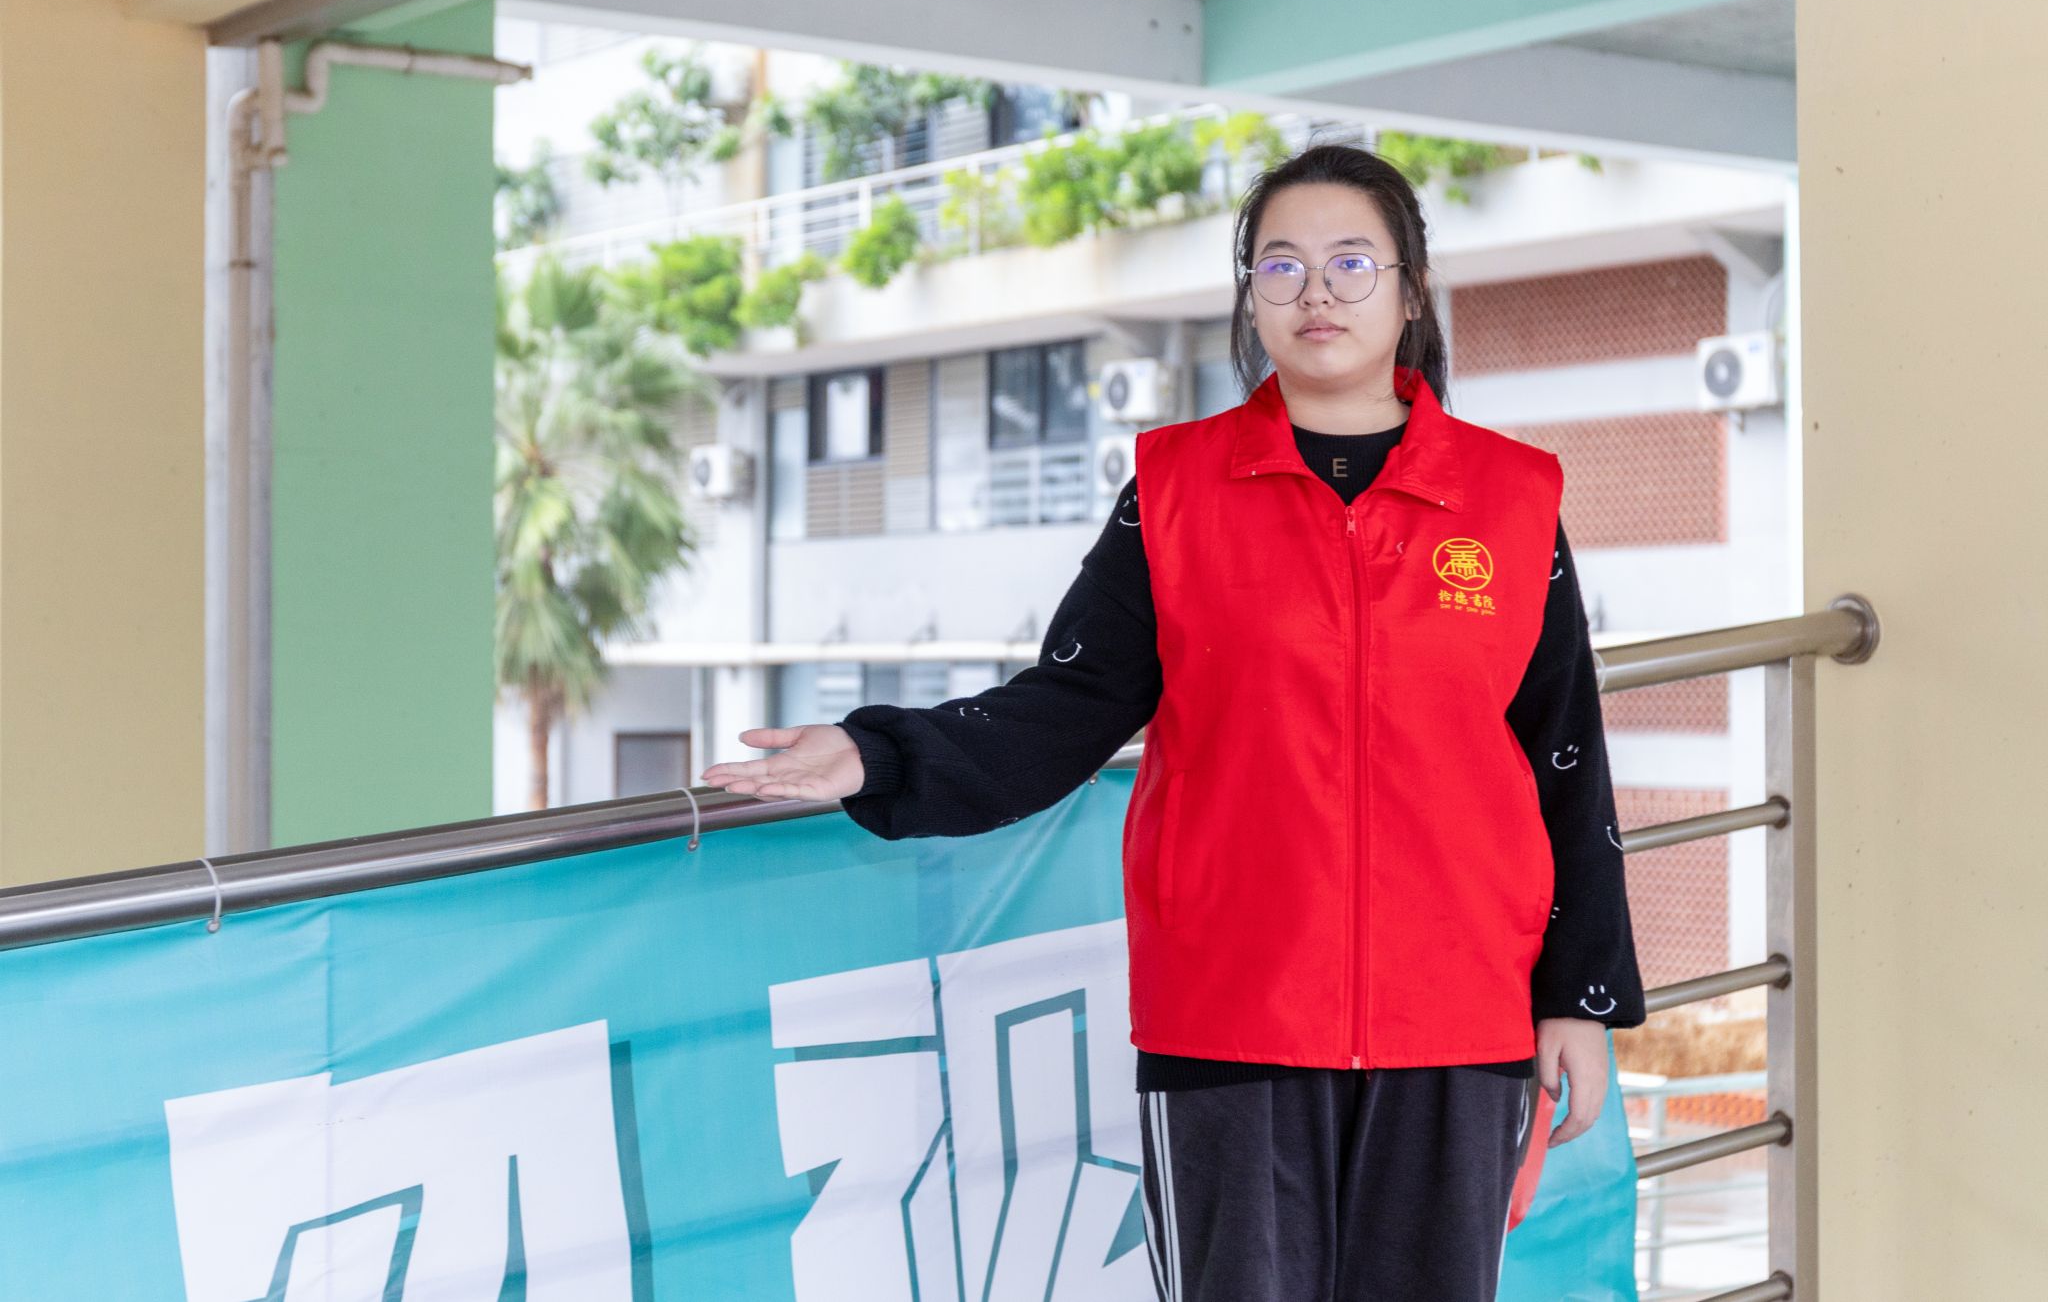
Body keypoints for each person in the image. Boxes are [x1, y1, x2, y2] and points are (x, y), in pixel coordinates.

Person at [702, 142, 1646, 1302]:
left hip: (1455, 1019)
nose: (1315, 293)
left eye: (1351, 263)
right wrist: (875, 754)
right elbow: (1063, 706)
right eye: (1280, 265)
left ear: (1408, 291)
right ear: (1249, 296)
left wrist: (1577, 998)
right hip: (1229, 1015)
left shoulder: (1510, 499)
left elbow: (1563, 759)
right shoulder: (1173, 490)